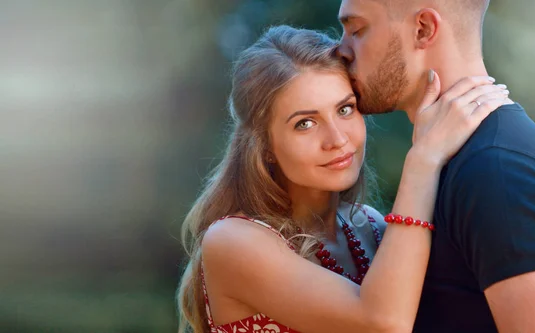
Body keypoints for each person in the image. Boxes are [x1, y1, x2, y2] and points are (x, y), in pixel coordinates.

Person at [177, 25, 509, 333]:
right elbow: (382, 322)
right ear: (265, 147)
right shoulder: (231, 241)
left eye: (345, 109)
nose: (336, 138)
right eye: (305, 123)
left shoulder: (372, 228)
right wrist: (423, 159)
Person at [335, 0, 535, 332]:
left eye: (356, 30)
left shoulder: (497, 172)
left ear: (423, 29)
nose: (340, 50)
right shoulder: (460, 156)